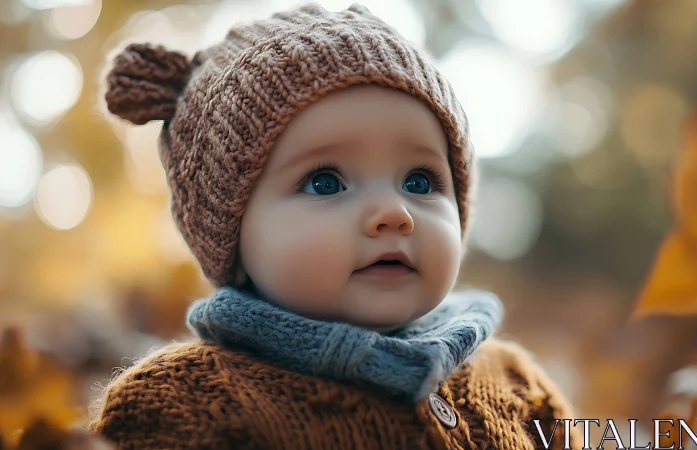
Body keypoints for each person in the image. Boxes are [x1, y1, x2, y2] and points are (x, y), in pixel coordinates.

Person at [89, 3, 581, 449]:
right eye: (325, 182)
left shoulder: (517, 382)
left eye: (420, 180)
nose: (395, 213)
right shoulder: (181, 403)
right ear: (231, 235)